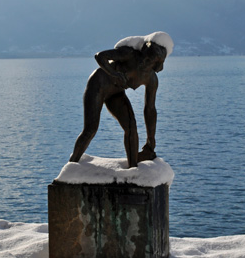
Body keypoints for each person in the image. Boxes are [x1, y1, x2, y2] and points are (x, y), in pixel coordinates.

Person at [69, 32, 173, 168]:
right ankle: (71, 165)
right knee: (91, 129)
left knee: (131, 126)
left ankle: (133, 169)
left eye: (149, 61)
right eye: (144, 57)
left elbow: (150, 109)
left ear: (156, 65)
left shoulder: (151, 79)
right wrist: (114, 74)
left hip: (116, 93)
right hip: (98, 85)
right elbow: (100, 56)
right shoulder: (129, 54)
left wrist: (151, 139)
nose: (144, 62)